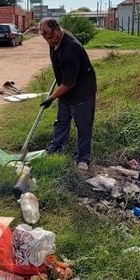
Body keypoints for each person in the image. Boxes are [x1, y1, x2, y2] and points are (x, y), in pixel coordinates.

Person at [39, 17, 97, 171]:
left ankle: (83, 158)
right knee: (62, 121)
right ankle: (56, 148)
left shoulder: (71, 49)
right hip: (65, 89)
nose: (50, 42)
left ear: (58, 29)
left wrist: (52, 97)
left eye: (51, 37)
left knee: (83, 126)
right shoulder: (55, 41)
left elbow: (69, 83)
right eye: (46, 39)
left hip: (82, 92)